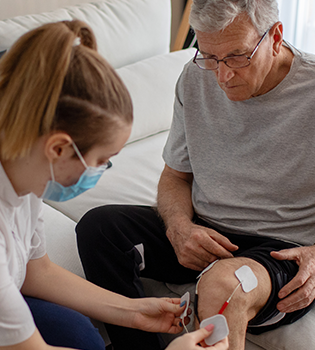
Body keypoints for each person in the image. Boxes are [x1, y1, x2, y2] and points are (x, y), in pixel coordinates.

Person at [76, 0, 315, 349]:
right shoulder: (195, 76)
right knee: (99, 229)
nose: (222, 75)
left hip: (288, 251)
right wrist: (179, 227)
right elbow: (176, 176)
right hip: (209, 237)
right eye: (209, 56)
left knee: (226, 285)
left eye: (237, 56)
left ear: (276, 37)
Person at [0, 19, 229, 350]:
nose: (100, 171)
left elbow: (37, 272)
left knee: (80, 335)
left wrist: (134, 312)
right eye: (99, 160)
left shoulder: (26, 173)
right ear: (59, 148)